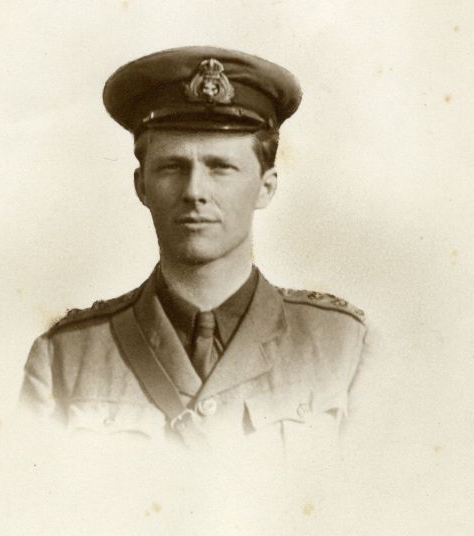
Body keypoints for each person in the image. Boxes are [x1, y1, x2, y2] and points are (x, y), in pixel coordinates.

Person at [20, 46, 368, 452]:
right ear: (141, 187)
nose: (194, 192)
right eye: (172, 167)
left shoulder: (343, 347)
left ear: (266, 186)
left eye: (221, 167)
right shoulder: (65, 358)